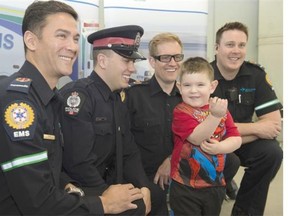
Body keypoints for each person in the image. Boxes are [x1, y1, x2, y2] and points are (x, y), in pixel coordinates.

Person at [0, 1, 144, 215]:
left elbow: (51, 169)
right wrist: (105, 204)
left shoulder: (49, 98)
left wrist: (69, 185)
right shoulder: (20, 103)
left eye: (75, 38)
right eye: (61, 36)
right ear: (31, 41)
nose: (73, 47)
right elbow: (37, 203)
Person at [60, 25, 151, 216]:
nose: (132, 68)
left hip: (108, 181)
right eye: (127, 61)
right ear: (102, 60)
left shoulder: (117, 98)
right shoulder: (79, 97)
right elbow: (79, 163)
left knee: (153, 197)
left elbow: (129, 151)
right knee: (136, 208)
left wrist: (144, 187)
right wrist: (108, 196)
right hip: (82, 187)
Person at [211, 21, 283, 215]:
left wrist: (233, 134)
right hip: (211, 144)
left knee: (271, 152)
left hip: (241, 140)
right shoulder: (204, 76)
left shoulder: (256, 75)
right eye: (230, 44)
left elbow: (274, 124)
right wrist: (256, 128)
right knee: (225, 158)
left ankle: (246, 212)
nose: (236, 51)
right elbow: (207, 130)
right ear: (217, 48)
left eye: (241, 45)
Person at [169, 56, 242, 216]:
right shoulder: (181, 111)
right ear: (179, 87)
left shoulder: (221, 109)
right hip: (184, 186)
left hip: (215, 185)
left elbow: (236, 139)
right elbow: (195, 138)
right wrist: (215, 116)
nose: (193, 90)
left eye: (200, 84)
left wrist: (220, 147)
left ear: (212, 86)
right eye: (187, 85)